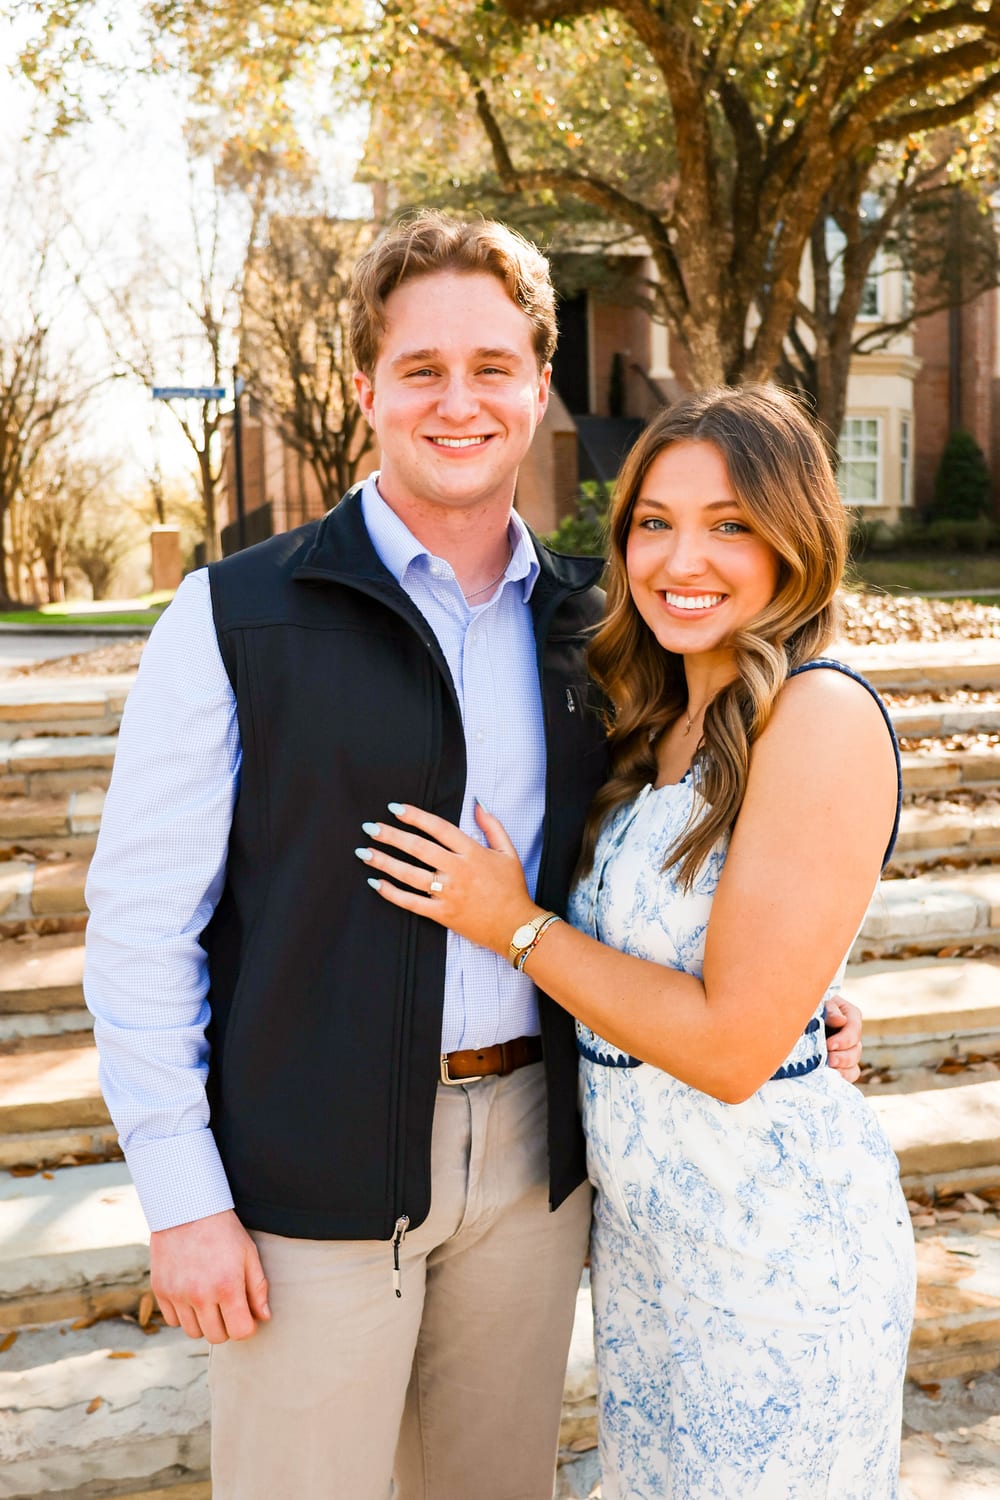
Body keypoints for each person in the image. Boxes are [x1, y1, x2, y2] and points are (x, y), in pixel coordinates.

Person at [84, 217, 862, 1500]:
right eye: (422, 369)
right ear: (365, 391)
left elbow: (676, 853)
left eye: (494, 367)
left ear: (538, 386)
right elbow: (139, 929)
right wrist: (183, 1199)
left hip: (534, 1171)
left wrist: (796, 998)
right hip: (307, 1172)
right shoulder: (233, 616)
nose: (460, 401)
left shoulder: (602, 631)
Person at [358, 384, 914, 1499]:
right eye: (653, 522)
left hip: (775, 1261)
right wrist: (808, 1012)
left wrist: (509, 921)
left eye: (730, 524)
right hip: (653, 1254)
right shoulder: (655, 720)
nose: (680, 558)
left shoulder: (817, 713)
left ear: (795, 539)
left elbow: (724, 1050)